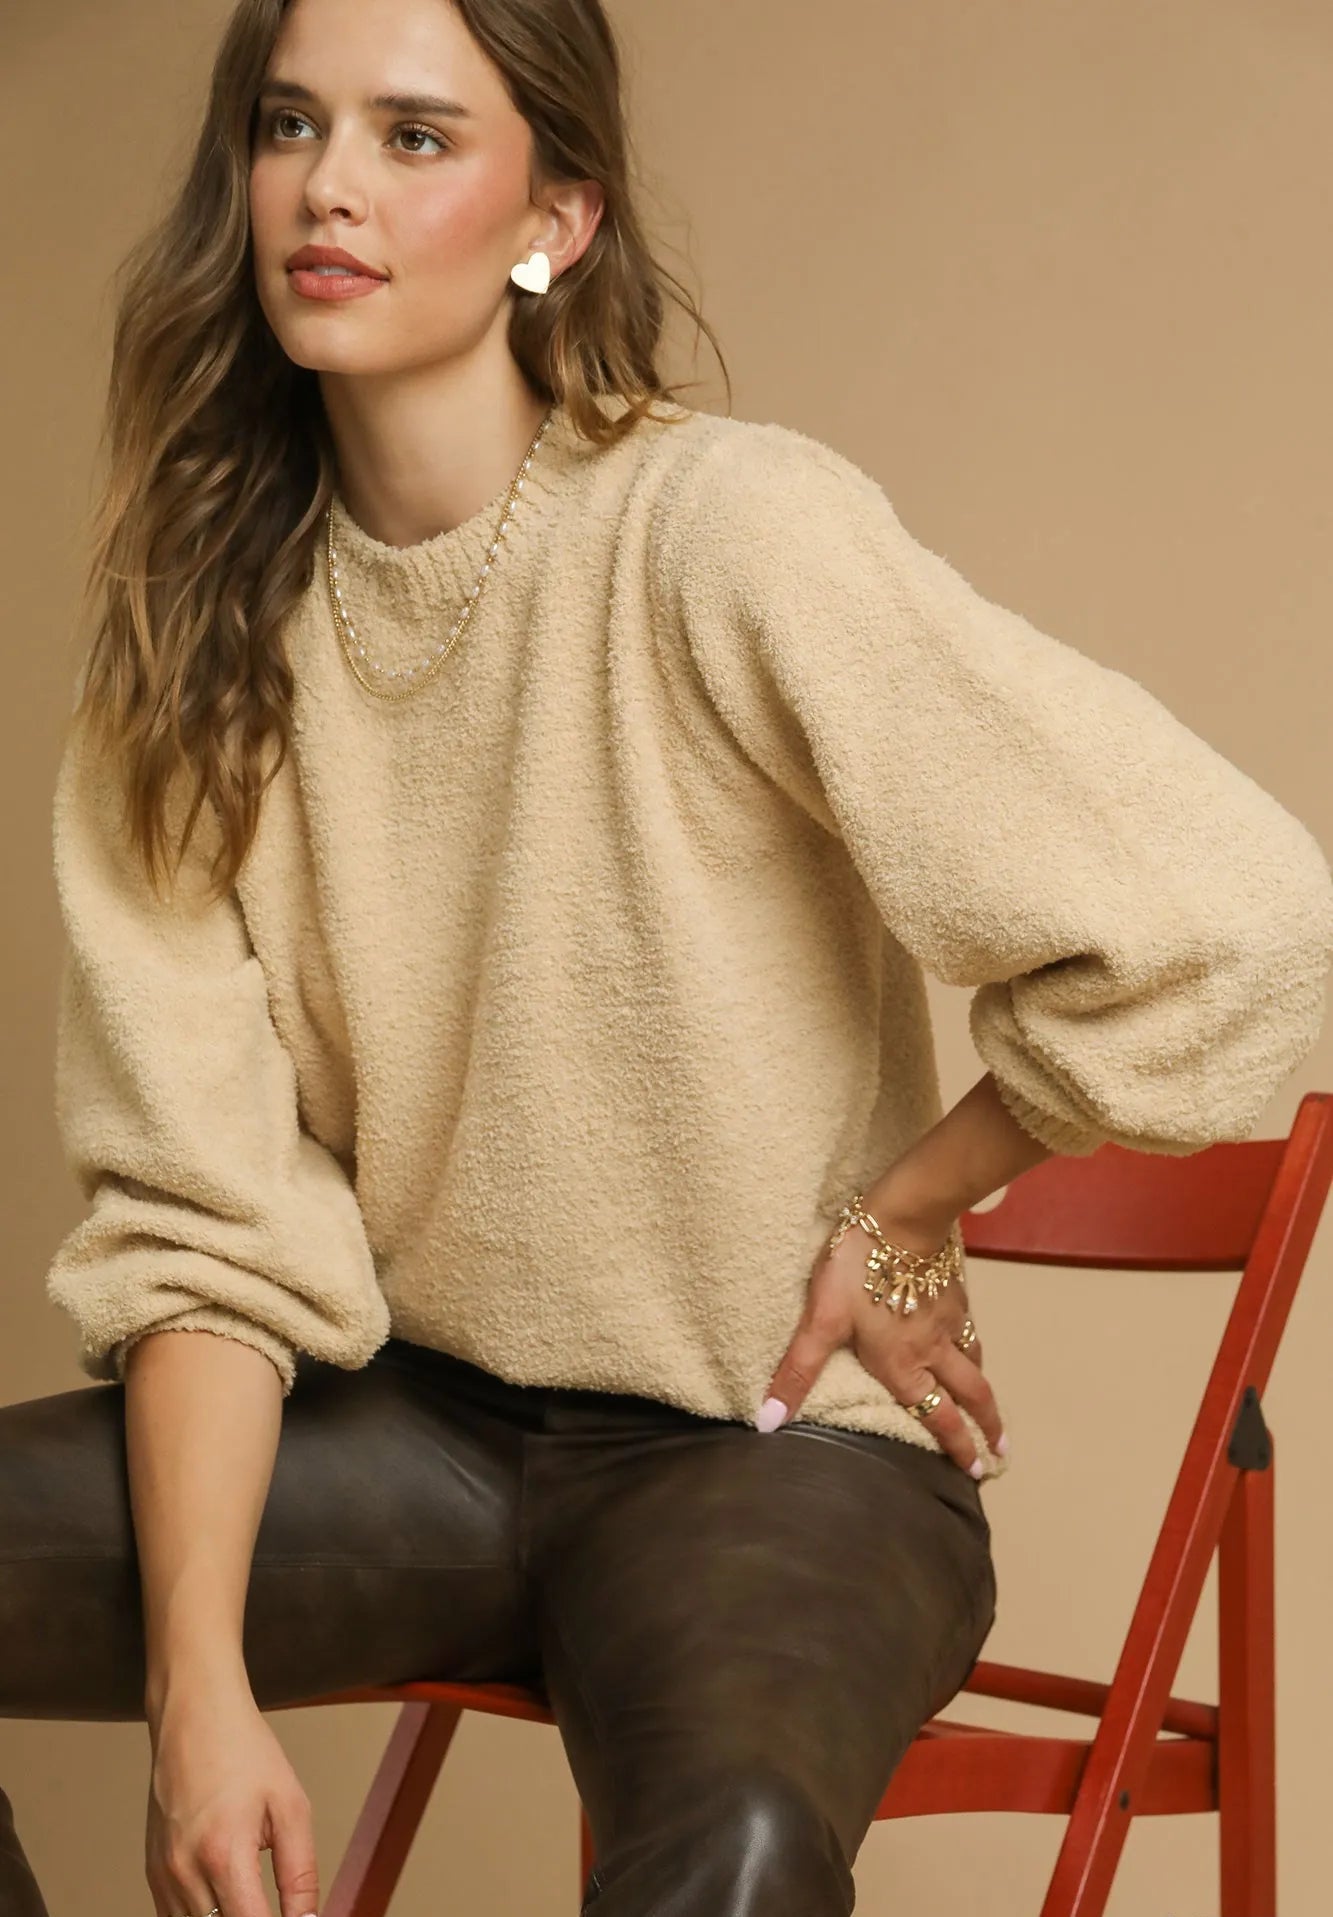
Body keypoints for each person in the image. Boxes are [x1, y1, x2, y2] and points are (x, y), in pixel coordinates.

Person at [5, 0, 1333, 1913]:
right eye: (291, 123)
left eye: (413, 136)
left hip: (778, 1458)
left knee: (736, 1851)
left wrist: (912, 1202)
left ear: (558, 217)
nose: (329, 186)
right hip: (420, 1438)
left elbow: (1237, 914)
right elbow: (207, 1223)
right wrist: (193, 1694)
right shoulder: (191, 654)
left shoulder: (720, 534)